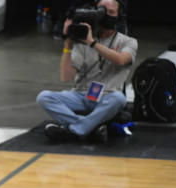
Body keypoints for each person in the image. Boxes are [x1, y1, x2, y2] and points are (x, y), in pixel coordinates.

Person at [36, 0, 137, 142]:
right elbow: (66, 77)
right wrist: (68, 44)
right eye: (103, 11)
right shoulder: (82, 39)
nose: (107, 15)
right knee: (44, 97)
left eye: (111, 12)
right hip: (81, 95)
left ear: (119, 16)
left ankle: (74, 130)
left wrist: (92, 43)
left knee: (119, 99)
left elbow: (121, 60)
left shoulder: (128, 42)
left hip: (107, 96)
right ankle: (89, 127)